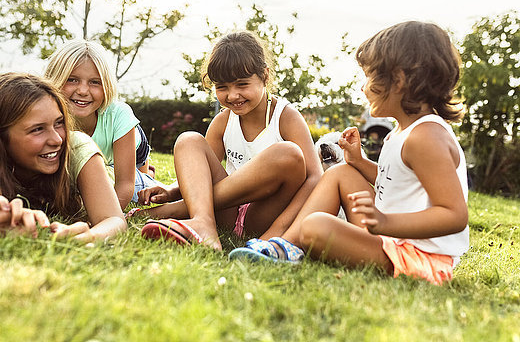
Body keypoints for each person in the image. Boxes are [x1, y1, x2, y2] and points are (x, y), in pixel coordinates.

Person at [230, 21, 469, 285]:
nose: (363, 87)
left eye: (369, 77)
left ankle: (289, 244)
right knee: (340, 173)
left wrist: (385, 222)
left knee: (316, 226)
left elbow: (454, 214)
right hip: (390, 238)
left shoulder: (427, 137)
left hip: (418, 257)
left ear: (399, 80)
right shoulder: (402, 132)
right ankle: (283, 246)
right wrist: (359, 162)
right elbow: (401, 185)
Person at [137, 31, 323, 250]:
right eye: (222, 87)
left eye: (242, 84)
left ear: (265, 75)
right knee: (188, 140)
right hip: (225, 213)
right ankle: (203, 223)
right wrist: (172, 190)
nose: (232, 96)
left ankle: (178, 210)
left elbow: (315, 179)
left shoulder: (286, 117)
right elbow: (200, 177)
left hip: (264, 216)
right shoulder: (223, 122)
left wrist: (277, 232)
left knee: (288, 153)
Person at [0, 73, 126, 242]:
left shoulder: (78, 149)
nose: (57, 139)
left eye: (59, 123)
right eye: (37, 129)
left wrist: (88, 237)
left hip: (108, 172)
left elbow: (114, 220)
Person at [44, 39, 157, 209]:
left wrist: (109, 216)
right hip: (95, 159)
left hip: (129, 142)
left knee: (141, 185)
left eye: (95, 82)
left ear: (107, 86)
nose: (83, 91)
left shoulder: (119, 116)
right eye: (72, 80)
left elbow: (125, 184)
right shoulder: (45, 116)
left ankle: (147, 172)